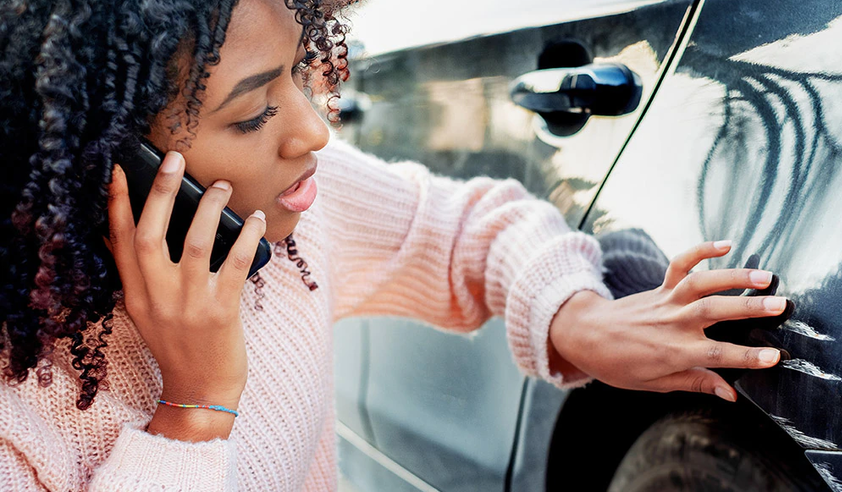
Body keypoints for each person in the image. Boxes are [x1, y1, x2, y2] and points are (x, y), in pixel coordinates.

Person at [0, 0, 787, 490]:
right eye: (252, 115)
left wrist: (573, 318)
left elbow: (468, 230)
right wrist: (193, 411)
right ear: (99, 163)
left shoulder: (295, 212)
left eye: (297, 76)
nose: (314, 129)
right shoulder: (19, 406)